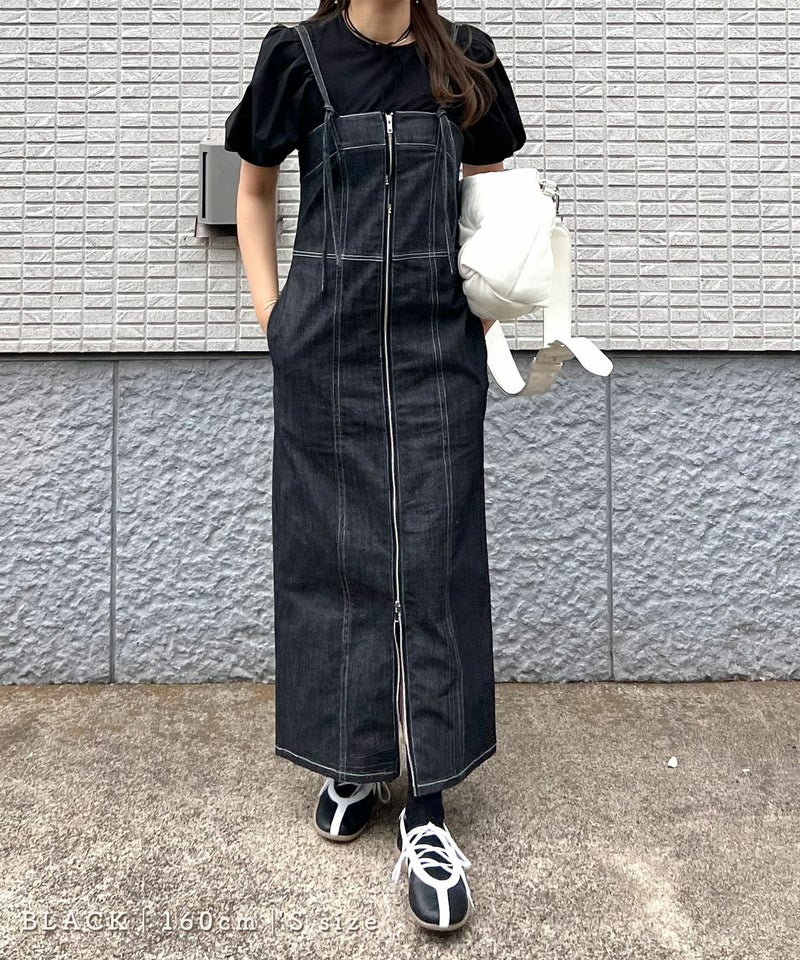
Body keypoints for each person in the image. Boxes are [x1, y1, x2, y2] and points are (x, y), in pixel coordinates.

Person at [224, 0, 526, 932]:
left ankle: (427, 806)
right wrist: (276, 322)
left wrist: (488, 314)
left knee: (433, 562)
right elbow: (254, 192)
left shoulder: (465, 60)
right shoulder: (298, 59)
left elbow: (492, 206)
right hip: (326, 351)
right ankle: (353, 761)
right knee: (337, 556)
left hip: (438, 355)